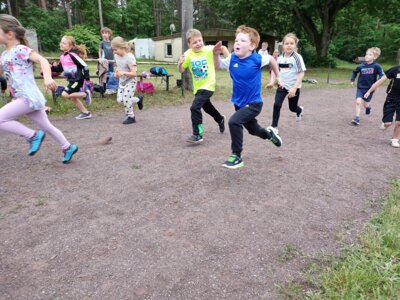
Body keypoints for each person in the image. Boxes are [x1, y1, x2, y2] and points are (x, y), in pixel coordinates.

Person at [0, 14, 78, 163]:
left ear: (9, 34)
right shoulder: (4, 55)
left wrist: (48, 78)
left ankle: (32, 136)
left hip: (28, 97)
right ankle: (68, 147)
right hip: (25, 98)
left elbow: (42, 60)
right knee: (47, 126)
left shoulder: (21, 49)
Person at [214, 25, 282, 169]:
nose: (237, 42)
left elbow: (271, 59)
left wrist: (278, 77)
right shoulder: (232, 59)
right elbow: (218, 65)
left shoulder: (257, 59)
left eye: (242, 40)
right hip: (239, 104)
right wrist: (215, 54)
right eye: (236, 40)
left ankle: (236, 156)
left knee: (233, 122)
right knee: (253, 130)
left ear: (251, 46)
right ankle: (270, 135)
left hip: (254, 103)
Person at [177, 28, 225, 143]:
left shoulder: (208, 49)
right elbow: (181, 70)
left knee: (194, 107)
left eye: (200, 40)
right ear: (189, 44)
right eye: (194, 42)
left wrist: (219, 49)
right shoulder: (188, 54)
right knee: (207, 107)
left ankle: (197, 134)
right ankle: (220, 119)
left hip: (209, 85)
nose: (198, 44)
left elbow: (219, 49)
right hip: (198, 87)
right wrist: (179, 63)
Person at [269, 33, 306, 132]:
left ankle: (300, 110)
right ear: (283, 45)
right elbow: (274, 70)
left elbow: (301, 74)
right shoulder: (280, 57)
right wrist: (272, 82)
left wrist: (294, 88)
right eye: (286, 43)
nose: (289, 45)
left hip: (294, 88)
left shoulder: (297, 57)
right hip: (282, 86)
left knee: (292, 108)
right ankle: (274, 126)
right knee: (277, 104)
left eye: (291, 43)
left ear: (295, 45)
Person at [364, 49, 400, 148]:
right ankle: (386, 123)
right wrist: (369, 91)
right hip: (391, 99)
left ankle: (395, 139)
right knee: (388, 123)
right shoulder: (395, 70)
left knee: (399, 122)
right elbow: (380, 81)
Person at [51, 35, 92, 120]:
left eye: (64, 43)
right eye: (61, 42)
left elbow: (85, 66)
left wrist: (87, 80)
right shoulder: (62, 57)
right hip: (72, 80)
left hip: (77, 80)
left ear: (71, 46)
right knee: (73, 97)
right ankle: (85, 113)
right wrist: (50, 67)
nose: (61, 44)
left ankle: (85, 94)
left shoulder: (72, 55)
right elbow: (59, 69)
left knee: (65, 94)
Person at [111, 36, 143, 124]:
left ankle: (131, 117)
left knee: (126, 99)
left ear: (122, 47)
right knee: (120, 100)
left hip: (131, 81)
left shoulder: (130, 57)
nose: (114, 52)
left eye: (115, 49)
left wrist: (124, 73)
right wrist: (116, 73)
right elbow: (117, 66)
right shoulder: (116, 56)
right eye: (113, 50)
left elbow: (134, 73)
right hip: (122, 81)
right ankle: (138, 99)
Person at [350, 47, 384, 125]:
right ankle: (357, 119)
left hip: (370, 89)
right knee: (358, 102)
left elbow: (382, 76)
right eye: (366, 54)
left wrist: (378, 81)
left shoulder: (377, 66)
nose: (367, 56)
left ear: (374, 57)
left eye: (370, 54)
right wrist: (352, 80)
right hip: (360, 88)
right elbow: (354, 72)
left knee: (365, 105)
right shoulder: (361, 66)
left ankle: (368, 107)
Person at [98, 27, 117, 94]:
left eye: (106, 33)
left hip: (111, 61)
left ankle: (111, 88)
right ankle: (104, 87)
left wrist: (115, 60)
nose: (104, 34)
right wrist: (100, 58)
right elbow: (100, 51)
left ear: (109, 34)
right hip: (104, 61)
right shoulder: (102, 42)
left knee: (111, 74)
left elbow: (114, 52)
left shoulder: (112, 43)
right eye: (103, 33)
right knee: (105, 74)